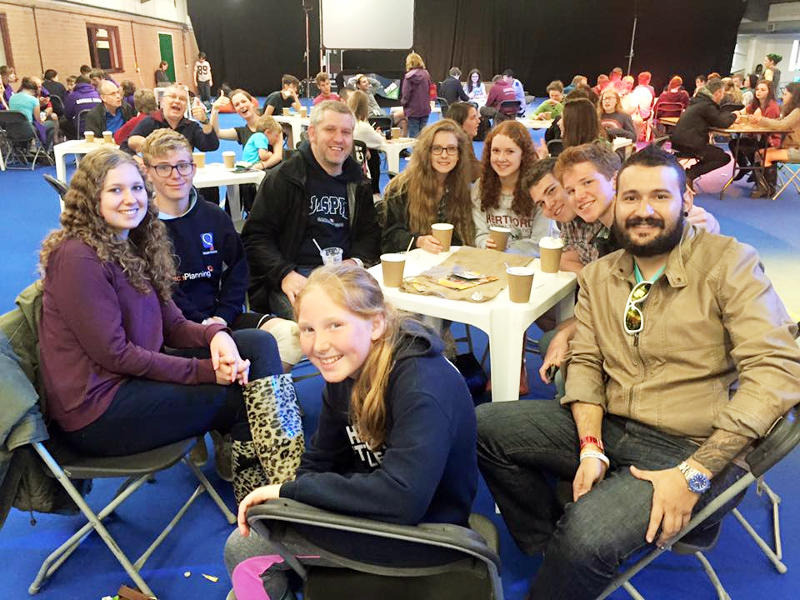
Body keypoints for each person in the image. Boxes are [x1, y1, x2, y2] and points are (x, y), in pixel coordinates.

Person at [476, 144, 800, 600]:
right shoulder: (601, 274)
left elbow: (776, 370)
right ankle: (552, 550)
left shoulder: (729, 262)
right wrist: (590, 446)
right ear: (617, 202)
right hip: (612, 425)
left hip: (690, 445)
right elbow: (585, 361)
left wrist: (695, 474)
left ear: (686, 200)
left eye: (660, 197)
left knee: (586, 534)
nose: (643, 211)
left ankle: (577, 555)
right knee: (482, 427)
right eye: (631, 198)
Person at [224, 264, 478, 600]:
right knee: (266, 524)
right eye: (308, 329)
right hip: (375, 511)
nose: (319, 345)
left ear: (375, 324)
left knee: (244, 554)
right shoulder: (346, 372)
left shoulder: (421, 385)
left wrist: (291, 493)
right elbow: (319, 460)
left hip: (425, 534)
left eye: (335, 325)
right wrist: (294, 500)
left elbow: (403, 500)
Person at [37, 147, 285, 478]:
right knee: (240, 398)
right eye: (115, 190)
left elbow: (173, 324)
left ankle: (279, 471)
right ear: (89, 199)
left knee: (256, 343)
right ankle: (268, 495)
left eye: (136, 188)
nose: (131, 199)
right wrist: (206, 371)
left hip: (132, 382)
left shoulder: (132, 243)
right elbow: (117, 356)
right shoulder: (78, 259)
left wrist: (216, 335)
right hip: (97, 411)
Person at [141, 129, 302, 372]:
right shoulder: (141, 226)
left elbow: (237, 272)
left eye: (183, 165)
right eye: (164, 167)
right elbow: (162, 293)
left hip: (223, 317)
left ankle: (252, 398)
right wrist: (205, 324)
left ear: (193, 168)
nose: (176, 175)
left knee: (292, 336)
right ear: (148, 172)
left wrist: (222, 317)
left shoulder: (215, 216)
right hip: (177, 329)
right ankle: (250, 399)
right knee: (256, 346)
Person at [241, 100, 380, 320]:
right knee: (334, 321)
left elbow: (370, 235)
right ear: (312, 133)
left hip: (344, 275)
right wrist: (284, 274)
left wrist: (354, 262)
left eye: (346, 132)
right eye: (330, 130)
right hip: (296, 275)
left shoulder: (358, 182)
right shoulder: (285, 177)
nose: (339, 139)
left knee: (386, 319)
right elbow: (255, 237)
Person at [382, 119, 475, 254]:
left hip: (450, 264)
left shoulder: (464, 189)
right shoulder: (400, 188)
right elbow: (389, 237)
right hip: (413, 262)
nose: (444, 155)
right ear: (427, 152)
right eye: (437, 149)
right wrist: (418, 241)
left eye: (451, 149)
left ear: (459, 154)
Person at [472, 120, 549, 255]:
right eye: (496, 151)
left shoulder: (538, 189)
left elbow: (541, 242)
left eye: (510, 151)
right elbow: (479, 232)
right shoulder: (481, 186)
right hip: (490, 261)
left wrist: (507, 250)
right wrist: (485, 243)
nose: (501, 158)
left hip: (529, 266)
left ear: (523, 154)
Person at [670, 78, 736, 190]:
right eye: (722, 93)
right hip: (691, 143)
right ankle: (690, 174)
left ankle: (688, 174)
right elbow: (722, 122)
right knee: (723, 157)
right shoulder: (707, 105)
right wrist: (735, 115)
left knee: (716, 152)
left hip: (679, 141)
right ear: (718, 92)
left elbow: (716, 118)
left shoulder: (698, 101)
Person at [123, 84, 219, 154]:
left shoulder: (191, 126)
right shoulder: (150, 122)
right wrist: (138, 159)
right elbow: (125, 147)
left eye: (182, 99)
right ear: (162, 101)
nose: (177, 101)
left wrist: (205, 121)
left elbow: (211, 145)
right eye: (172, 97)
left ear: (186, 106)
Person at [749, 81, 800, 197]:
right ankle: (764, 186)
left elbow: (782, 125)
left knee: (766, 155)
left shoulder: (798, 111)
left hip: (797, 149)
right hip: (791, 146)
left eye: (786, 94)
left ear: (794, 96)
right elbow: (780, 122)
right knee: (759, 153)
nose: (783, 96)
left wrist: (760, 120)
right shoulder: (792, 110)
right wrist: (761, 120)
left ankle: (768, 189)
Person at [732, 80, 779, 182]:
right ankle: (744, 167)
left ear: (769, 92)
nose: (759, 92)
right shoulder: (755, 104)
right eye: (757, 89)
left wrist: (750, 121)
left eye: (763, 90)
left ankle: (755, 170)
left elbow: (767, 129)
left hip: (769, 141)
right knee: (733, 143)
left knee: (741, 145)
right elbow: (741, 112)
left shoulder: (772, 107)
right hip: (757, 138)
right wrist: (735, 114)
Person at [348, 89, 387, 195]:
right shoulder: (363, 126)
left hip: (348, 163)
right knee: (374, 154)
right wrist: (377, 134)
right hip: (361, 166)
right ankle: (375, 191)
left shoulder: (347, 121)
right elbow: (380, 142)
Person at [9, 76, 58, 147]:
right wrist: (43, 115)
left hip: (11, 131)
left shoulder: (12, 97)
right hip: (27, 130)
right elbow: (39, 122)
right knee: (51, 124)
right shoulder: (33, 100)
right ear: (34, 89)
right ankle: (45, 151)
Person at [445, 102, 482, 180]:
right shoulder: (456, 144)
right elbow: (474, 173)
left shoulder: (464, 138)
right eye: (473, 118)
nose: (478, 121)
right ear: (459, 123)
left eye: (477, 117)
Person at [400, 51, 433, 138]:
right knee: (423, 135)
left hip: (412, 110)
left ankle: (416, 151)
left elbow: (406, 95)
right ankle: (423, 151)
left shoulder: (408, 77)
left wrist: (403, 103)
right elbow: (431, 89)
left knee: (414, 135)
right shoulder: (426, 74)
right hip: (425, 108)